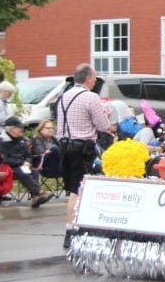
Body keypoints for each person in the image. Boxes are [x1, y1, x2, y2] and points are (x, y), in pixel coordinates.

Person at [56, 63, 116, 248]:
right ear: (89, 78)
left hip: (64, 146)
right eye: (95, 78)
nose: (95, 81)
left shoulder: (63, 96)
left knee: (73, 190)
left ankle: (75, 228)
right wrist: (107, 115)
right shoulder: (91, 97)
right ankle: (72, 231)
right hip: (82, 147)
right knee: (78, 190)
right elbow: (103, 126)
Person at [0, 116, 52, 207]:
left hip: (22, 165)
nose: (22, 129)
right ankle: (39, 192)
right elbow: (3, 159)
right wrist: (21, 163)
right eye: (19, 128)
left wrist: (28, 162)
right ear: (12, 129)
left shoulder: (21, 139)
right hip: (6, 167)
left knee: (34, 171)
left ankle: (35, 198)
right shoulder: (1, 140)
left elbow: (28, 154)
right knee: (21, 171)